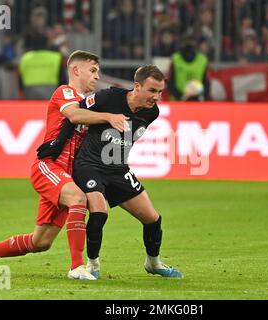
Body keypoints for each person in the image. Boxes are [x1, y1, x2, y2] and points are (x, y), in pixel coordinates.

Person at [0, 50, 129, 280]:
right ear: (76, 70)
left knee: (40, 242)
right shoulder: (65, 92)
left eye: (98, 72)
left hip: (68, 175)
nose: (96, 76)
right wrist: (109, 117)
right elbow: (74, 116)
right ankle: (77, 267)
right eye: (92, 71)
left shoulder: (90, 105)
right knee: (78, 199)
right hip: (49, 167)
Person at [39, 65, 183, 278]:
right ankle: (92, 265)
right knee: (99, 211)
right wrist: (58, 143)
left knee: (153, 218)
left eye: (160, 92)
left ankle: (153, 263)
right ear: (137, 86)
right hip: (89, 165)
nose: (157, 97)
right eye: (152, 91)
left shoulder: (152, 112)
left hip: (118, 169)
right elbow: (76, 113)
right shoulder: (109, 97)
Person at [167, 36, 210, 101]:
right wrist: (180, 96)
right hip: (177, 102)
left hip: (197, 102)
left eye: (191, 44)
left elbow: (206, 83)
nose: (189, 47)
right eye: (187, 44)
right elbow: (170, 82)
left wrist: (201, 96)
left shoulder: (203, 60)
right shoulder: (175, 59)